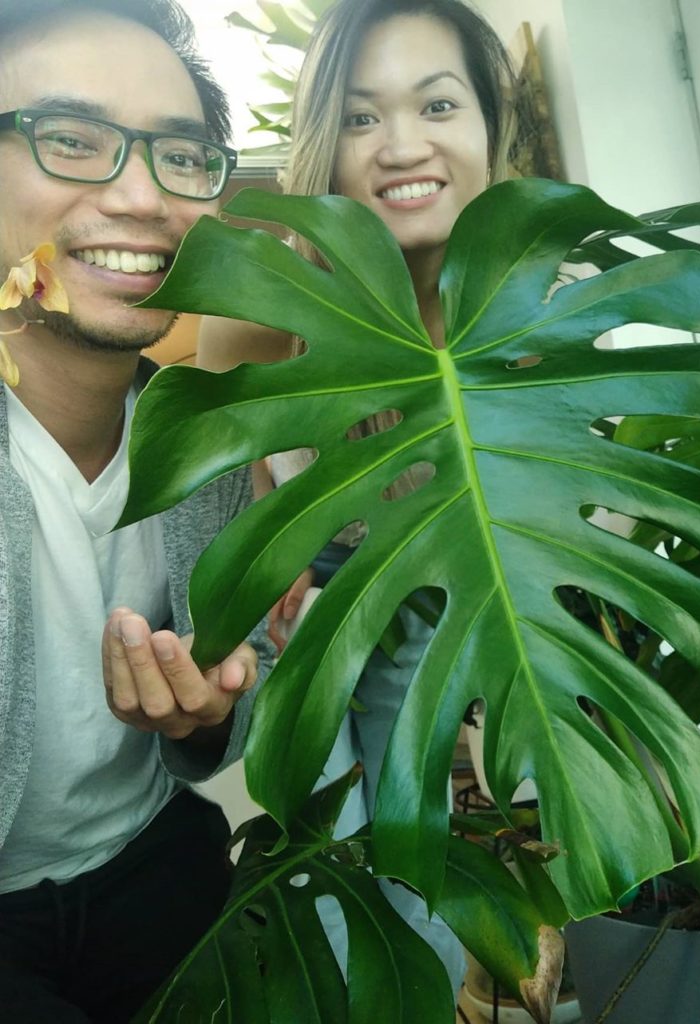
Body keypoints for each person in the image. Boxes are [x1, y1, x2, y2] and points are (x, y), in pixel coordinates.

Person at [197, 0, 518, 992]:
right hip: (305, 604)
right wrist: (273, 568)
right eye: (364, 117)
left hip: (426, 591)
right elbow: (231, 512)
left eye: (436, 104)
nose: (402, 146)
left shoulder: (524, 314)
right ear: (324, 147)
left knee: (416, 846)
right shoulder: (259, 309)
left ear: (489, 128)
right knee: (325, 845)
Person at [0, 2, 279, 1020]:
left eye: (181, 155)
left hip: (156, 865)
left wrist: (211, 710)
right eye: (71, 140)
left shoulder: (204, 433)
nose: (140, 195)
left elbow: (249, 680)